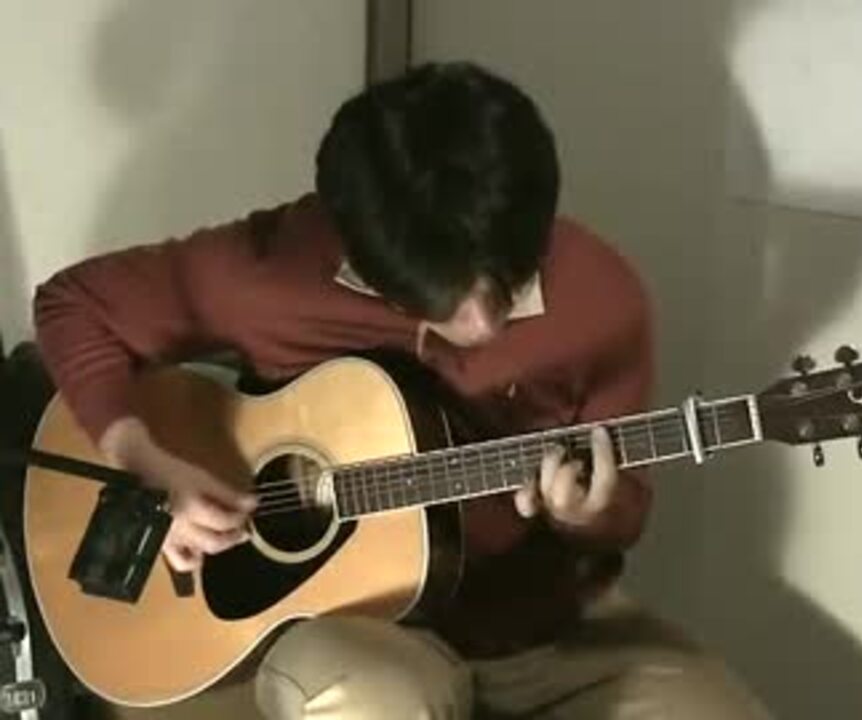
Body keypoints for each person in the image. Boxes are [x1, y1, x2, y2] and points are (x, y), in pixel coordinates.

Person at [33, 62, 770, 719]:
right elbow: (74, 305)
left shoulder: (602, 298)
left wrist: (594, 513)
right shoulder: (267, 275)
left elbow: (623, 512)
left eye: (511, 285)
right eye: (436, 302)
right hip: (360, 634)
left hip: (554, 631)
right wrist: (146, 462)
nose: (482, 324)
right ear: (360, 256)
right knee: (367, 705)